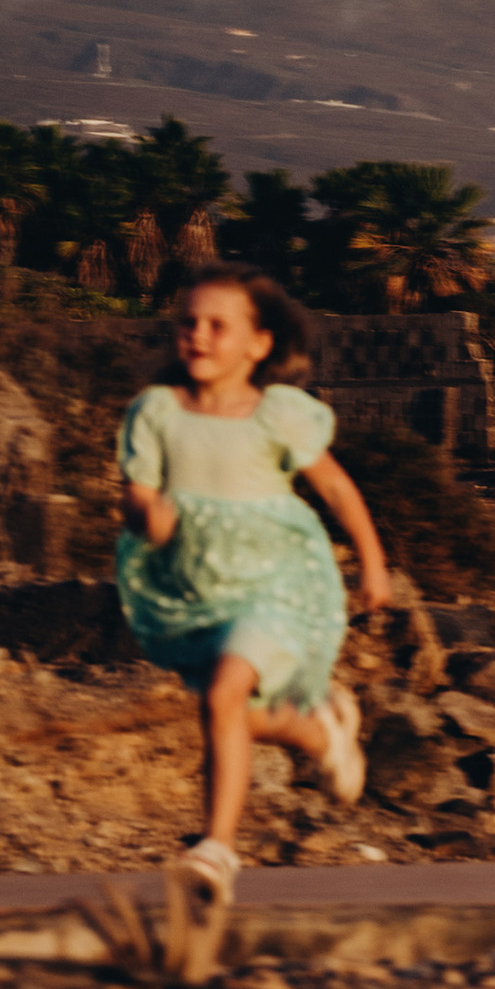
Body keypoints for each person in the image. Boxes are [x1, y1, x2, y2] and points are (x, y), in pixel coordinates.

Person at [116, 270, 389, 916]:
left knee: (223, 694)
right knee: (227, 711)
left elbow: (338, 490)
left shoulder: (275, 414)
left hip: (278, 581)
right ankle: (319, 731)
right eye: (189, 322)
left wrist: (373, 565)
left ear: (258, 344)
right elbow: (137, 492)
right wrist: (146, 516)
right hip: (200, 587)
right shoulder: (155, 411)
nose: (198, 335)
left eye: (218, 325)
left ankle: (216, 847)